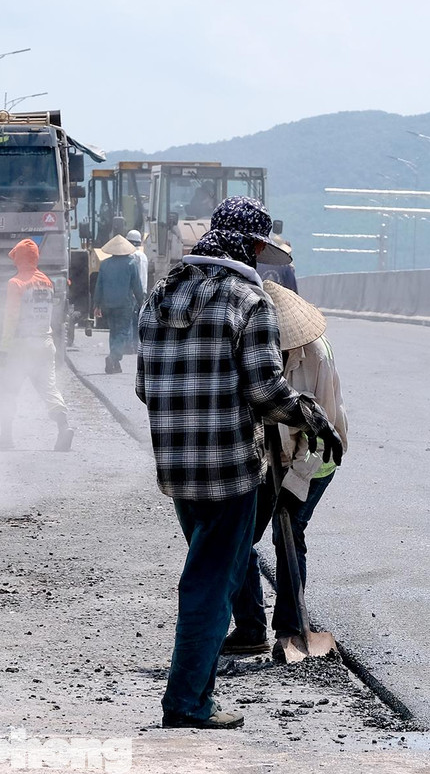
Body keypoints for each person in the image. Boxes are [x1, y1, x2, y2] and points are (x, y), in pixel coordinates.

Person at [136, 196, 342, 730]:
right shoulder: (247, 299)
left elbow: (143, 386)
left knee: (216, 575)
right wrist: (311, 415)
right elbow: (266, 391)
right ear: (250, 245)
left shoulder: (161, 293)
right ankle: (186, 704)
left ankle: (198, 693)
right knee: (209, 582)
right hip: (230, 468)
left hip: (176, 468)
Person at [224, 281, 344, 655]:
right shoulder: (244, 347)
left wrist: (295, 483)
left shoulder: (317, 357)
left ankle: (291, 630)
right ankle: (250, 627)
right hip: (262, 460)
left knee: (288, 534)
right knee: (237, 538)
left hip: (315, 459)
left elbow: (327, 432)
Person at [0, 238, 74, 452]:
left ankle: (6, 437)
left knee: (8, 389)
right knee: (48, 388)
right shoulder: (47, 282)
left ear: (19, 258)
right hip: (45, 342)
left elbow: (11, 318)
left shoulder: (15, 284)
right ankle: (64, 427)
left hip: (20, 345)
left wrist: (4, 349)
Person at [92, 234, 143, 374]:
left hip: (107, 304)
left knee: (113, 332)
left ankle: (115, 363)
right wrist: (141, 302)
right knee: (122, 332)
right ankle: (113, 357)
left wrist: (96, 304)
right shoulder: (131, 263)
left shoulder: (105, 264)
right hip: (124, 304)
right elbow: (137, 286)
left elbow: (99, 286)